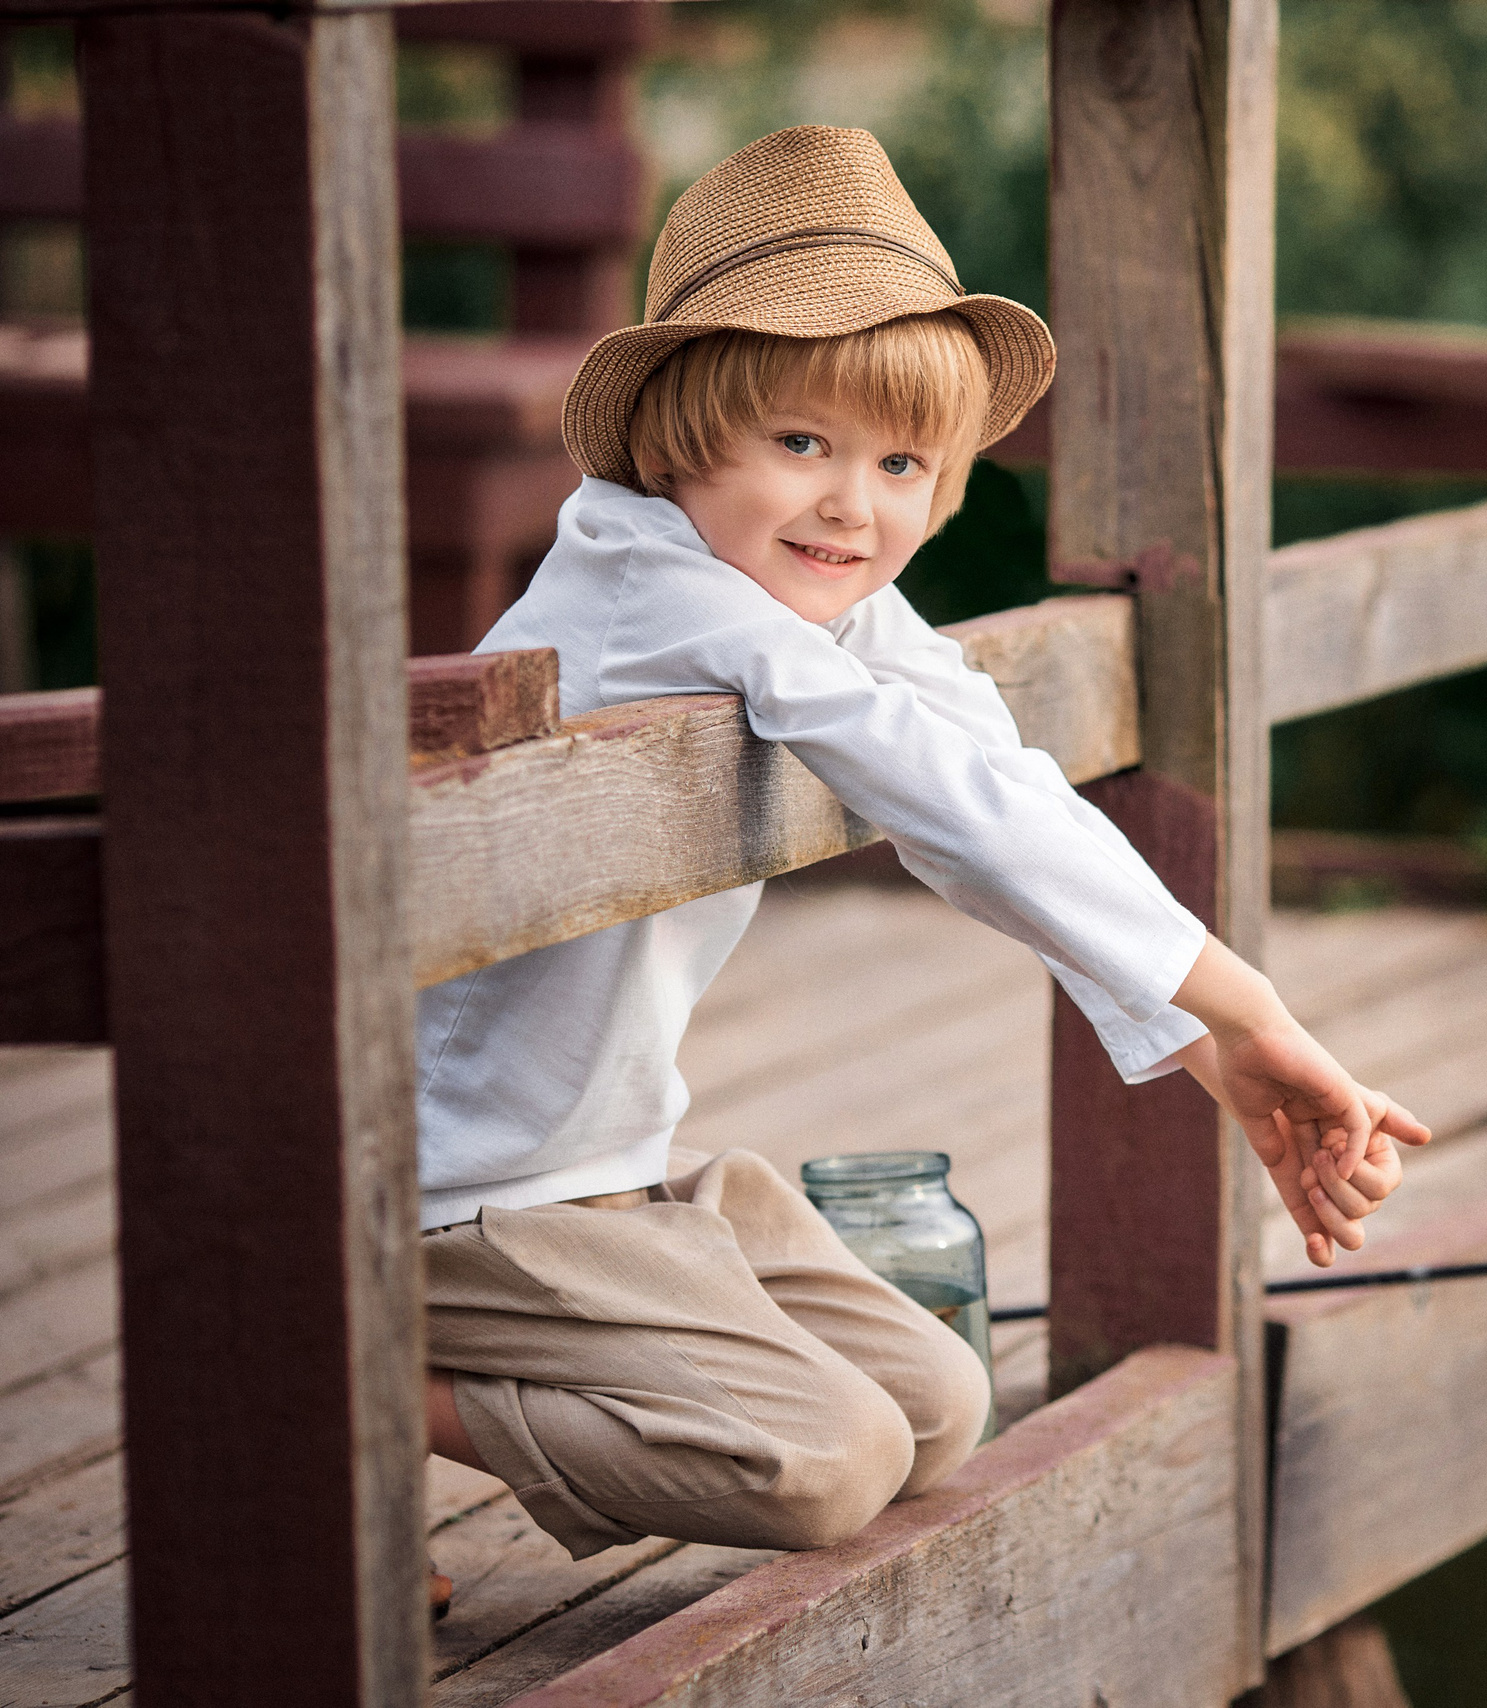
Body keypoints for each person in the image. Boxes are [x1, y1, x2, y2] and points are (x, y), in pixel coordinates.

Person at [412, 124, 1429, 1580]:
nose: (854, 504)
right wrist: (1251, 1004)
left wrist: (1211, 1050)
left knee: (936, 1406)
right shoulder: (652, 588)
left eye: (902, 460)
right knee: (825, 1467)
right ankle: (365, 1385)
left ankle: (586, 1305)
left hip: (612, 1166)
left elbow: (986, 776)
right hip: (464, 1190)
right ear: (679, 434)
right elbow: (924, 782)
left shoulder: (795, 600)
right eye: (802, 444)